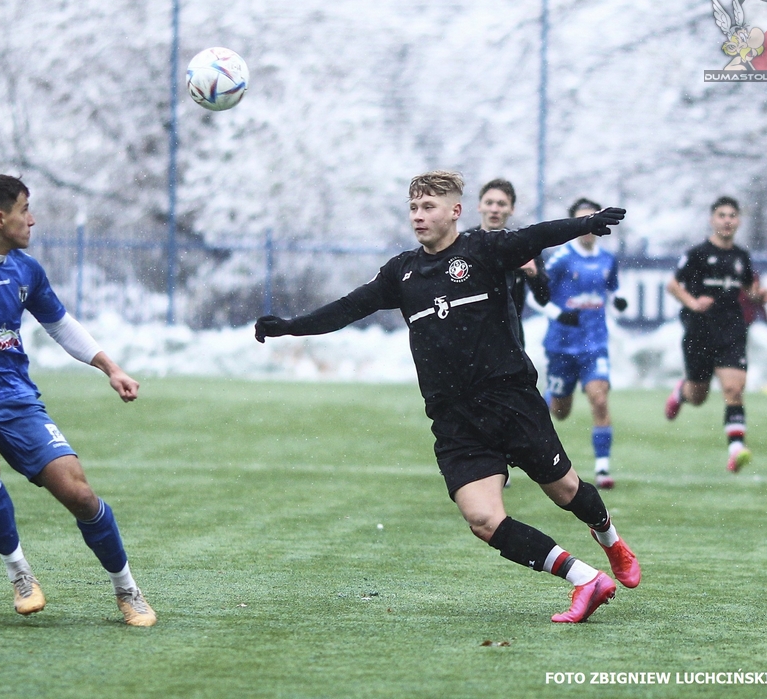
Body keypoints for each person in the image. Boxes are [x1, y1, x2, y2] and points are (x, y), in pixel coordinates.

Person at [254, 171, 640, 623]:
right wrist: (290, 326)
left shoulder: (483, 250)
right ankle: (585, 580)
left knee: (566, 491)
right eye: (413, 208)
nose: (418, 216)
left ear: (455, 211)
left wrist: (586, 223)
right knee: (483, 520)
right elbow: (348, 307)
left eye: (428, 207)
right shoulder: (402, 272)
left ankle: (610, 539)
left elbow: (535, 236)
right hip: (455, 419)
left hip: (509, 401)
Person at [0, 174, 157, 626]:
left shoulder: (26, 270)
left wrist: (110, 368)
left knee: (79, 494)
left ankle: (127, 589)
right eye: (25, 210)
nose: (32, 220)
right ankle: (20, 575)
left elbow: (60, 324)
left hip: (16, 399)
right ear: (1, 218)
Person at [664, 196, 767, 472]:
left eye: (732, 216)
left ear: (738, 221)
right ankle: (682, 392)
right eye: (722, 215)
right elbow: (673, 285)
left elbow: (748, 289)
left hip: (731, 329)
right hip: (699, 330)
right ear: (712, 220)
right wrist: (693, 303)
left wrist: (760, 295)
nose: (727, 220)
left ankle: (736, 449)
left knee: (734, 388)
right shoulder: (697, 254)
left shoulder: (741, 256)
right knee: (698, 396)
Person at [540, 198, 628, 490]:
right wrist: (558, 314)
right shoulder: (561, 259)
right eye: (582, 220)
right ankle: (547, 398)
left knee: (599, 399)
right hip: (562, 345)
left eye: (592, 219)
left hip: (594, 343)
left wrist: (618, 300)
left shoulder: (607, 259)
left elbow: (613, 288)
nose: (588, 227)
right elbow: (536, 295)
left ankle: (602, 468)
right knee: (560, 412)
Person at [473, 178, 550, 348]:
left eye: (501, 204)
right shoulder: (463, 244)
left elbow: (544, 298)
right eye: (489, 203)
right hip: (471, 339)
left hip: (511, 341)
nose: (494, 209)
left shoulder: (523, 245)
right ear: (479, 206)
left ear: (512, 209)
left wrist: (533, 273)